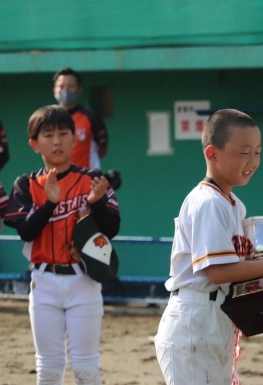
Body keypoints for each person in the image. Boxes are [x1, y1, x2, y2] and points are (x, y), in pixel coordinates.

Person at [153, 109, 263, 385]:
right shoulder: (208, 202)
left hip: (214, 316)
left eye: (257, 152)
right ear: (212, 153)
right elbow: (218, 273)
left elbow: (238, 270)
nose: (253, 161)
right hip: (195, 316)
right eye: (244, 152)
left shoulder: (234, 204)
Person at [2, 105, 120, 385]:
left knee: (86, 367)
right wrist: (50, 202)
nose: (56, 141)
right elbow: (26, 233)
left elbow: (112, 229)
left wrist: (95, 204)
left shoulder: (93, 180)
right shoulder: (26, 184)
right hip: (43, 282)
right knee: (49, 369)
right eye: (48, 135)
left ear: (74, 138)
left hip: (84, 280)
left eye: (63, 133)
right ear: (34, 144)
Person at [53, 67, 108, 169]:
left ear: (79, 90)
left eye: (71, 86)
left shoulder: (91, 116)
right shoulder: (49, 119)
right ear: (54, 91)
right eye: (61, 87)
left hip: (88, 179)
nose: (66, 91)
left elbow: (102, 149)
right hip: (58, 180)